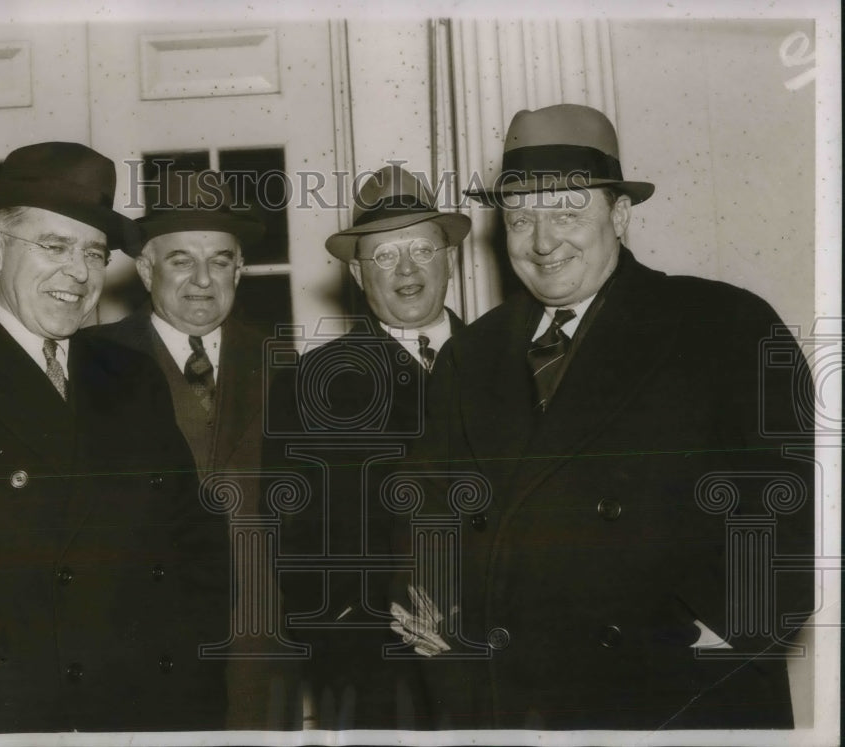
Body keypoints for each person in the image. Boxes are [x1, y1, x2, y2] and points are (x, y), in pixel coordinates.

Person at [391, 104, 815, 730]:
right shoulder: (470, 355)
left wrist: (723, 631)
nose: (542, 240)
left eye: (567, 212)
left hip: (672, 696)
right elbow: (425, 514)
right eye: (521, 217)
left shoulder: (724, 325)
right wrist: (447, 648)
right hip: (507, 704)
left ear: (618, 214)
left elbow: (800, 501)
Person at [0, 142, 228, 733]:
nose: (79, 272)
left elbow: (192, 536)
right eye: (54, 246)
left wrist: (192, 661)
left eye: (94, 252)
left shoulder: (129, 373)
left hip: (154, 704)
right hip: (13, 711)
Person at [265, 164, 471, 729]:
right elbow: (296, 545)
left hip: (504, 658)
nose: (405, 269)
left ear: (449, 257)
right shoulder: (311, 384)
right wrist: (369, 628)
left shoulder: (511, 360)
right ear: (358, 273)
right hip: (377, 674)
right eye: (383, 256)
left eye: (421, 249)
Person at [92, 169, 298, 730]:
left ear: (241, 268)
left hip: (259, 648)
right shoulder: (92, 363)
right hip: (138, 650)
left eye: (221, 260)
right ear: (145, 269)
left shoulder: (287, 367)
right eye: (181, 259)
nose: (203, 280)